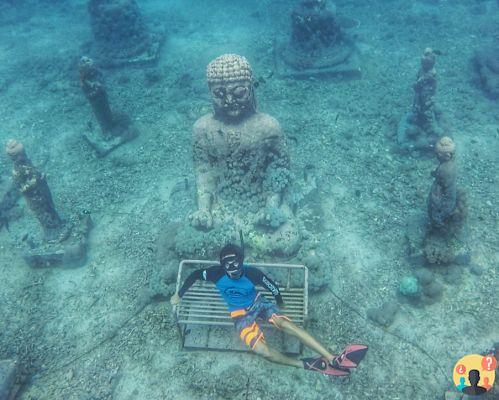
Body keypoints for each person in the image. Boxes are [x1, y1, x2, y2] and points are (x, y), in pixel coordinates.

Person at [170, 243, 367, 376]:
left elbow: (271, 286)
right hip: (239, 314)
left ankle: (333, 358)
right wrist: (179, 295)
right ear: (222, 264)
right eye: (226, 263)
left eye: (235, 261)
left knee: (284, 324)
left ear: (241, 260)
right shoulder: (215, 274)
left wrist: (279, 302)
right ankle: (305, 364)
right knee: (261, 351)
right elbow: (195, 274)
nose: (231, 266)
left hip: (258, 303)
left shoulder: (252, 273)